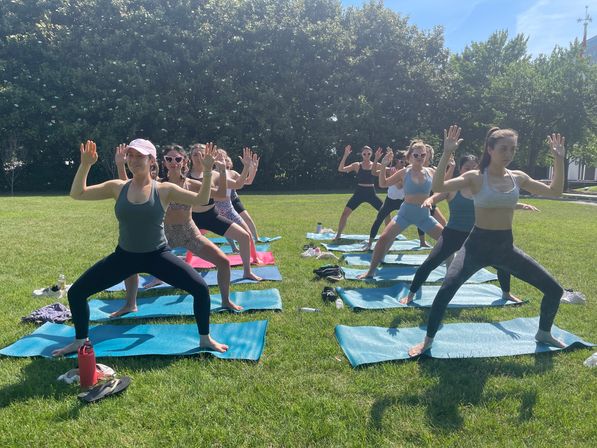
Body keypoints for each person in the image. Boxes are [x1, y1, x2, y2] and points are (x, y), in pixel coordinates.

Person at [52, 139, 228, 356]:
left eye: (140, 156)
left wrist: (208, 171)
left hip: (157, 256)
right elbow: (77, 193)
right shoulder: (117, 187)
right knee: (77, 292)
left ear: (151, 160)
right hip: (124, 257)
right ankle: (80, 341)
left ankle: (205, 339)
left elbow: (201, 199)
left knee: (200, 289)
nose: (134, 160)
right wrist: (85, 164)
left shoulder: (164, 190)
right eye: (131, 155)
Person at [408, 125, 566, 356]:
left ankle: (543, 332)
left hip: (505, 248)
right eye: (504, 148)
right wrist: (447, 152)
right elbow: (439, 186)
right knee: (446, 291)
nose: (509, 154)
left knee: (554, 290)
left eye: (513, 149)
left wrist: (559, 159)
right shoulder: (475, 177)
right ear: (490, 149)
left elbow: (555, 191)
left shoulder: (518, 177)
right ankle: (428, 341)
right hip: (475, 248)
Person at [112, 143, 243, 317]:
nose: (174, 162)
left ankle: (226, 300)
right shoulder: (156, 184)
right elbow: (127, 186)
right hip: (163, 234)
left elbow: (221, 195)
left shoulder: (191, 184)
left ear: (184, 162)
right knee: (132, 260)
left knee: (223, 261)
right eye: (169, 159)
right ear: (164, 162)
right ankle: (130, 304)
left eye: (178, 158)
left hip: (189, 232)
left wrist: (219, 169)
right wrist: (121, 164)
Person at [399, 154, 538, 304]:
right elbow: (436, 196)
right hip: (452, 234)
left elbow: (498, 204)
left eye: (474, 167)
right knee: (430, 263)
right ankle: (411, 294)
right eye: (467, 168)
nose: (470, 170)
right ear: (460, 168)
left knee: (502, 261)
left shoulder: (482, 187)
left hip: (478, 235)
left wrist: (520, 205)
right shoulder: (454, 187)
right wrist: (429, 200)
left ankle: (506, 293)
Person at [357, 140, 444, 279]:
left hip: (424, 216)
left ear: (426, 155)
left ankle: (451, 271)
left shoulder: (431, 172)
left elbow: (442, 189)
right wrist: (384, 164)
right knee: (383, 239)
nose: (420, 157)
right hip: (405, 214)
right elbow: (383, 183)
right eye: (416, 155)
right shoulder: (404, 172)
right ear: (410, 156)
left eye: (423, 154)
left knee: (447, 240)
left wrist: (432, 199)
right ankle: (371, 271)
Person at [188, 144, 263, 281]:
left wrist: (246, 167)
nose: (199, 157)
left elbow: (238, 184)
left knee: (245, 236)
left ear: (208, 157)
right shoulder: (185, 175)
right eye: (195, 154)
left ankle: (247, 271)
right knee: (166, 245)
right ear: (190, 157)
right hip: (191, 218)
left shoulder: (215, 174)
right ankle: (161, 274)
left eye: (202, 154)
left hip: (211, 216)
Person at [333, 145, 383, 241]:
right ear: (362, 154)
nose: (367, 155)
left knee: (385, 212)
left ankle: (389, 235)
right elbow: (341, 169)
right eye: (364, 153)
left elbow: (388, 170)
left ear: (371, 154)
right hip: (359, 192)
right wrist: (345, 155)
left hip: (371, 193)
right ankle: (338, 235)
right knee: (345, 213)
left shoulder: (376, 164)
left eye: (369, 153)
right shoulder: (357, 165)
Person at [363, 148, 408, 250]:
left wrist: (393, 176)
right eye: (402, 161)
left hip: (402, 201)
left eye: (405, 162)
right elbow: (374, 172)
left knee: (412, 219)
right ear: (397, 160)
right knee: (378, 220)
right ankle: (369, 244)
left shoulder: (406, 172)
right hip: (390, 201)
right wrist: (377, 160)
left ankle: (422, 242)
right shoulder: (389, 170)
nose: (404, 163)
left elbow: (400, 186)